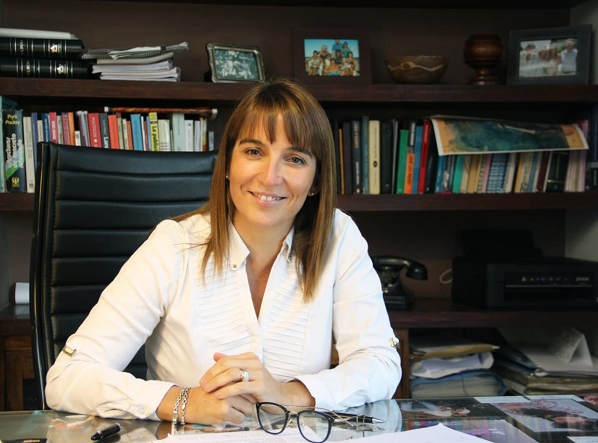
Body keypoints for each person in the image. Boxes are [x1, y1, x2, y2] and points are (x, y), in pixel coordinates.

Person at [44, 78, 402, 426]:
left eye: (294, 159)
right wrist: (186, 402)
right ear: (228, 163)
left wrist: (287, 394)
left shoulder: (338, 237)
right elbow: (67, 378)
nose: (270, 177)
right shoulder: (172, 245)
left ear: (316, 181)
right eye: (254, 152)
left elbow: (380, 362)